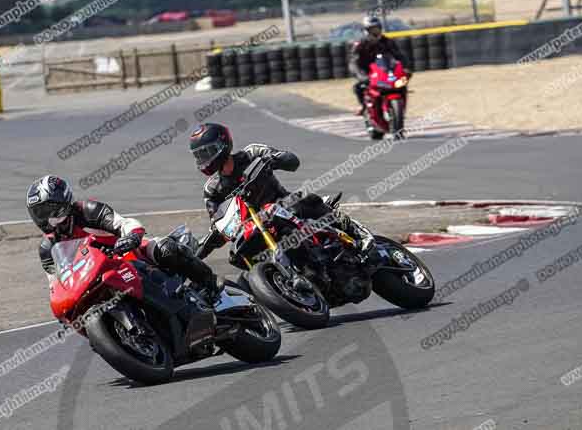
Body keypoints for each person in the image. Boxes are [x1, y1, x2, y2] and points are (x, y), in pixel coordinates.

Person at [189, 123, 375, 272]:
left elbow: (292, 160)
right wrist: (197, 253)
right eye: (199, 155)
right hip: (252, 227)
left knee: (307, 200)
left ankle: (357, 232)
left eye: (206, 152)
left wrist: (277, 159)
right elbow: (218, 222)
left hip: (284, 204)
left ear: (222, 144)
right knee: (238, 256)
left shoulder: (252, 153)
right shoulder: (212, 190)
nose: (204, 158)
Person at [26, 175, 222, 298]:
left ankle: (211, 285)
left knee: (164, 249)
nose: (45, 218)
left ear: (63, 202)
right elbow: (56, 284)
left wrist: (131, 237)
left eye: (47, 210)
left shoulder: (87, 211)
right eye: (39, 213)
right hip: (94, 279)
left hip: (129, 254)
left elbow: (124, 223)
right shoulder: (47, 248)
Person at [349, 16, 411, 118]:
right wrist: (361, 76)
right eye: (372, 29)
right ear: (366, 31)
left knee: (402, 84)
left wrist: (405, 68)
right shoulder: (360, 44)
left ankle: (401, 110)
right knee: (358, 87)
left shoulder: (387, 41)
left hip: (386, 71)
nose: (375, 32)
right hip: (368, 72)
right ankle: (363, 106)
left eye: (377, 29)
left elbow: (399, 56)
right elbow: (354, 62)